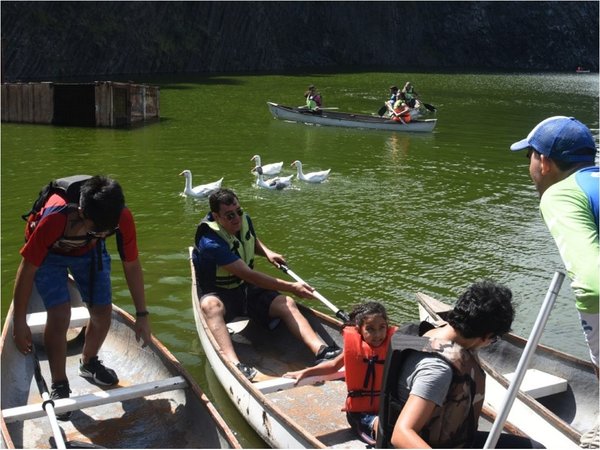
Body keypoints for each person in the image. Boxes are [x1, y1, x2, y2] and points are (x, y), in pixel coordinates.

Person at [12, 175, 152, 419]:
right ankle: (59, 384)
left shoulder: (120, 216)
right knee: (60, 314)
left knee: (102, 312)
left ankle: (89, 362)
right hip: (49, 257)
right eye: (97, 229)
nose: (103, 233)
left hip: (89, 252)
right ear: (81, 212)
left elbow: (131, 264)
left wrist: (142, 314)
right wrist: (20, 322)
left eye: (106, 231)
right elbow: (27, 269)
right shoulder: (55, 218)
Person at [192, 188, 341, 381]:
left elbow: (248, 239)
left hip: (245, 290)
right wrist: (293, 287)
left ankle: (322, 351)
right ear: (216, 216)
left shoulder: (242, 220)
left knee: (286, 302)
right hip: (220, 293)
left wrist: (267, 252)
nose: (236, 218)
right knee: (210, 306)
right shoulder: (209, 242)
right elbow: (249, 275)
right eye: (229, 215)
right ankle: (235, 363)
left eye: (238, 211)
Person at [377, 280, 543, 448]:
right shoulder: (437, 370)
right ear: (486, 336)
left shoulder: (433, 332)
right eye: (494, 339)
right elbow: (402, 434)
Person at [510, 116, 599, 373]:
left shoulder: (560, 195)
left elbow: (593, 286)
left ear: (545, 162)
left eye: (529, 156)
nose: (529, 166)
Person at [284, 301, 398, 445]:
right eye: (370, 329)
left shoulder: (393, 345)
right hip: (360, 414)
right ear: (359, 330)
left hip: (385, 407)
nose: (377, 335)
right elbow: (332, 366)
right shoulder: (354, 350)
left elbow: (418, 343)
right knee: (385, 427)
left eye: (382, 328)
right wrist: (306, 372)